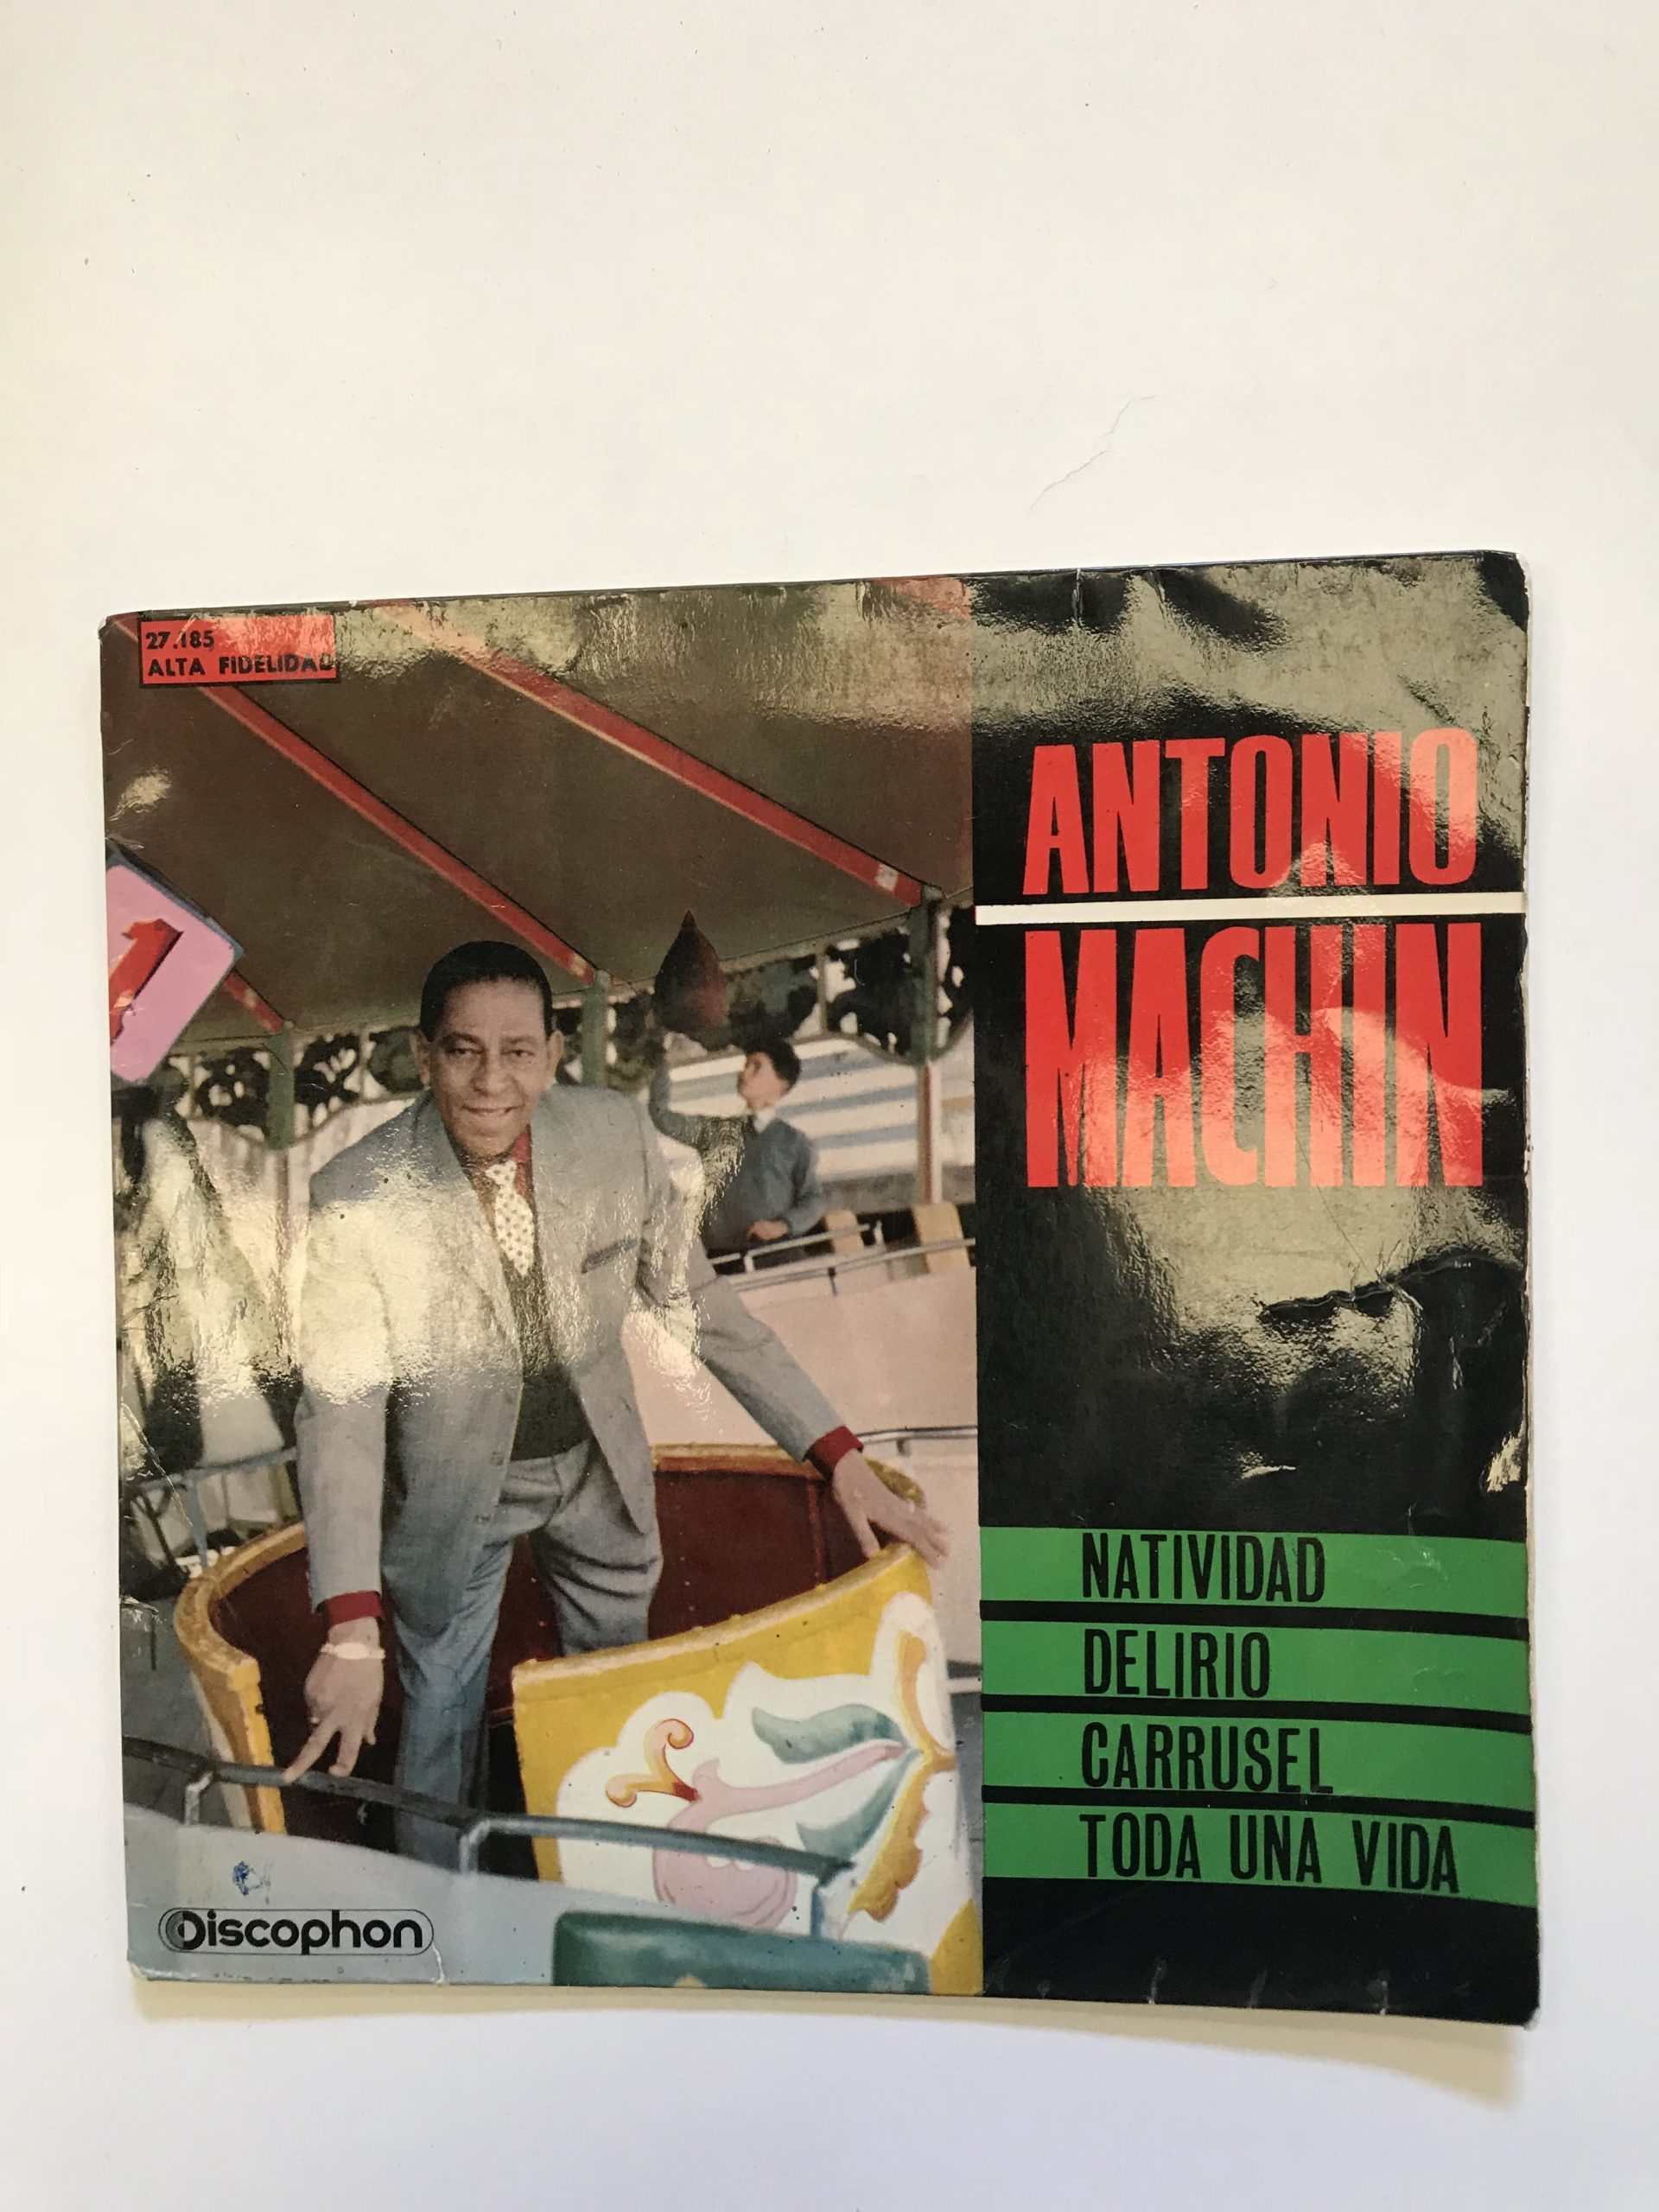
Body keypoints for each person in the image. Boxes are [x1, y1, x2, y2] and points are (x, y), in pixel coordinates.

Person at [286, 941, 945, 1862]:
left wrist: (835, 1451)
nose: (491, 1082)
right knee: (439, 1709)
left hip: (596, 1466)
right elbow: (342, 1411)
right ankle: (439, 1908)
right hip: (453, 1485)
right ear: (424, 1055)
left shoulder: (612, 1137)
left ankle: (617, 1872)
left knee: (620, 1699)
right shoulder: (355, 1194)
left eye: (518, 1052)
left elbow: (702, 1309)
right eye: (464, 1051)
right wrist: (353, 1630)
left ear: (553, 1053)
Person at [648, 1039, 825, 1256]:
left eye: (756, 1067)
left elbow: (813, 1199)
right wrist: (661, 1062)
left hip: (779, 1257)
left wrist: (782, 1226)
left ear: (781, 1084)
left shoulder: (794, 1142)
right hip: (722, 1260)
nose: (744, 1072)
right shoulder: (714, 1132)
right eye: (745, 1065)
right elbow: (661, 1116)